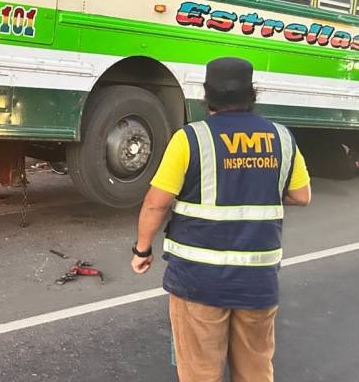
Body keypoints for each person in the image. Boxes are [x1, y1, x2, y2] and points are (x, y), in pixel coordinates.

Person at [130, 57, 311, 382]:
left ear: (207, 95)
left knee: (201, 373)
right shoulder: (281, 138)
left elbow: (156, 204)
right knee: (256, 372)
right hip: (257, 283)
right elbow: (302, 195)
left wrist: (142, 250)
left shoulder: (190, 139)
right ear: (253, 93)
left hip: (199, 282)